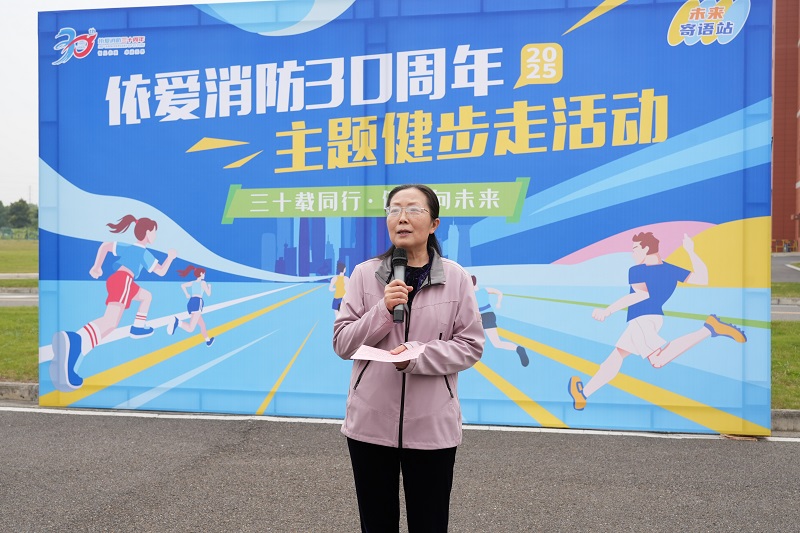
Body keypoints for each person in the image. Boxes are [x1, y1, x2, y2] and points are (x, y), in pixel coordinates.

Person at [333, 184, 484, 532]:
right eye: (394, 209)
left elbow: (470, 345)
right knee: (376, 524)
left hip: (432, 424)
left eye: (413, 209)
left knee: (430, 524)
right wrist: (382, 310)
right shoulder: (364, 274)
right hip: (370, 424)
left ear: (434, 224)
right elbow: (342, 343)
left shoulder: (456, 278)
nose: (401, 218)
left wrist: (419, 356)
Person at [568, 232, 747, 410]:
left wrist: (607, 311)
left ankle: (709, 329)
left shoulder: (637, 270)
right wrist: (691, 252)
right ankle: (583, 395)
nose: (632, 253)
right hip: (651, 319)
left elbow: (640, 295)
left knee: (657, 360)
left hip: (642, 319)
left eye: (635, 248)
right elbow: (702, 278)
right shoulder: (671, 270)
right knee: (616, 356)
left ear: (646, 248)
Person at [50, 214, 177, 392]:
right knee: (110, 323)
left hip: (121, 280)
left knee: (146, 296)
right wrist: (170, 257)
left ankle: (137, 327)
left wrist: (97, 266)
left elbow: (105, 246)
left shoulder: (128, 247)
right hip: (124, 281)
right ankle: (75, 341)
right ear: (148, 232)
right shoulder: (143, 253)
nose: (155, 235)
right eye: (154, 231)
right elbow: (161, 271)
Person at [471, 275, 529, 367]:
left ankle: (518, 349)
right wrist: (498, 303)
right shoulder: (485, 290)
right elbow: (499, 293)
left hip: (483, 317)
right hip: (489, 315)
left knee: (494, 343)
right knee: (497, 343)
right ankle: (517, 348)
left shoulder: (470, 295)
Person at [168, 265, 214, 347]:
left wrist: (187, 294)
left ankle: (207, 340)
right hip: (197, 302)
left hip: (191, 303)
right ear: (201, 273)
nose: (204, 275)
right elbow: (209, 294)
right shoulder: (203, 282)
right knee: (190, 329)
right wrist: (209, 287)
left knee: (202, 325)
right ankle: (177, 322)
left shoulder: (193, 282)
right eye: (204, 273)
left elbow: (182, 285)